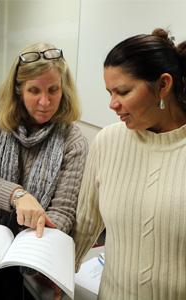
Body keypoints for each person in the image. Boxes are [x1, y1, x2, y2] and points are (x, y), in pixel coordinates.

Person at [0, 42, 88, 300]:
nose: (45, 101)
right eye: (33, 90)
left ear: (64, 89)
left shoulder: (73, 141)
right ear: (18, 91)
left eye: (54, 90)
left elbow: (62, 210)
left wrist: (44, 257)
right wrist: (18, 196)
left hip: (28, 256)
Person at [73, 28, 186, 299]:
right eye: (110, 92)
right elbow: (86, 221)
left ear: (163, 85)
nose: (112, 104)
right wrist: (61, 270)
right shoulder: (107, 142)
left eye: (122, 91)